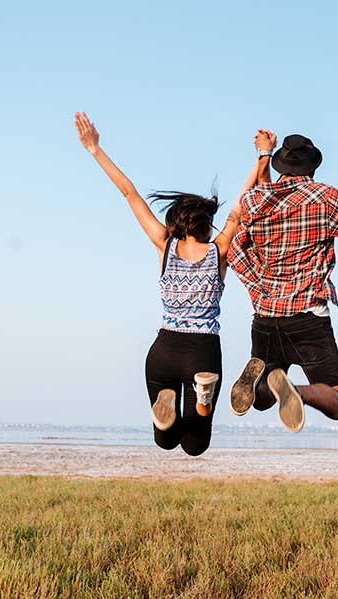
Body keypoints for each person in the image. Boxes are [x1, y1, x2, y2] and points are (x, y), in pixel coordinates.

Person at [74, 112, 263, 455]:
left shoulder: (164, 246)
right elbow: (239, 210)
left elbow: (129, 193)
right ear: (206, 225)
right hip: (203, 352)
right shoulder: (218, 250)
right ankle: (202, 397)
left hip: (163, 351)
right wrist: (261, 158)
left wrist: (94, 149)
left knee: (166, 440)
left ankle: (165, 411)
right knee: (195, 444)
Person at [226, 131, 338, 432]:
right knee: (336, 403)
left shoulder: (254, 201)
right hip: (307, 317)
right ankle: (296, 390)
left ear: (282, 165)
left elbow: (234, 250)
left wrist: (257, 288)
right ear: (312, 168)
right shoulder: (324, 198)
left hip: (265, 318)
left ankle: (263, 383)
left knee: (261, 399)